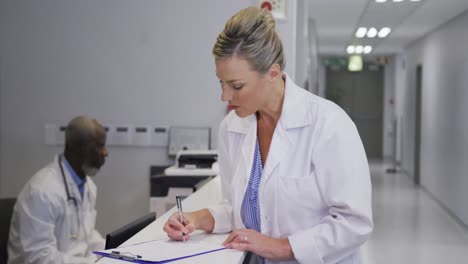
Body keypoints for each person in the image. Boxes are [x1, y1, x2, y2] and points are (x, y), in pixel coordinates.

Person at [163, 6, 373, 264]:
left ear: (272, 73)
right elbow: (239, 208)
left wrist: (281, 247)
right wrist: (197, 219)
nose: (225, 97)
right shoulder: (232, 127)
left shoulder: (328, 124)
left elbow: (355, 223)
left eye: (236, 86)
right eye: (221, 82)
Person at [8, 116, 108, 264]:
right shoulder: (41, 192)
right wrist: (92, 262)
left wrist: (114, 252)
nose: (105, 152)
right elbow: (39, 258)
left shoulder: (87, 185)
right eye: (98, 146)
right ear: (76, 146)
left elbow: (86, 234)